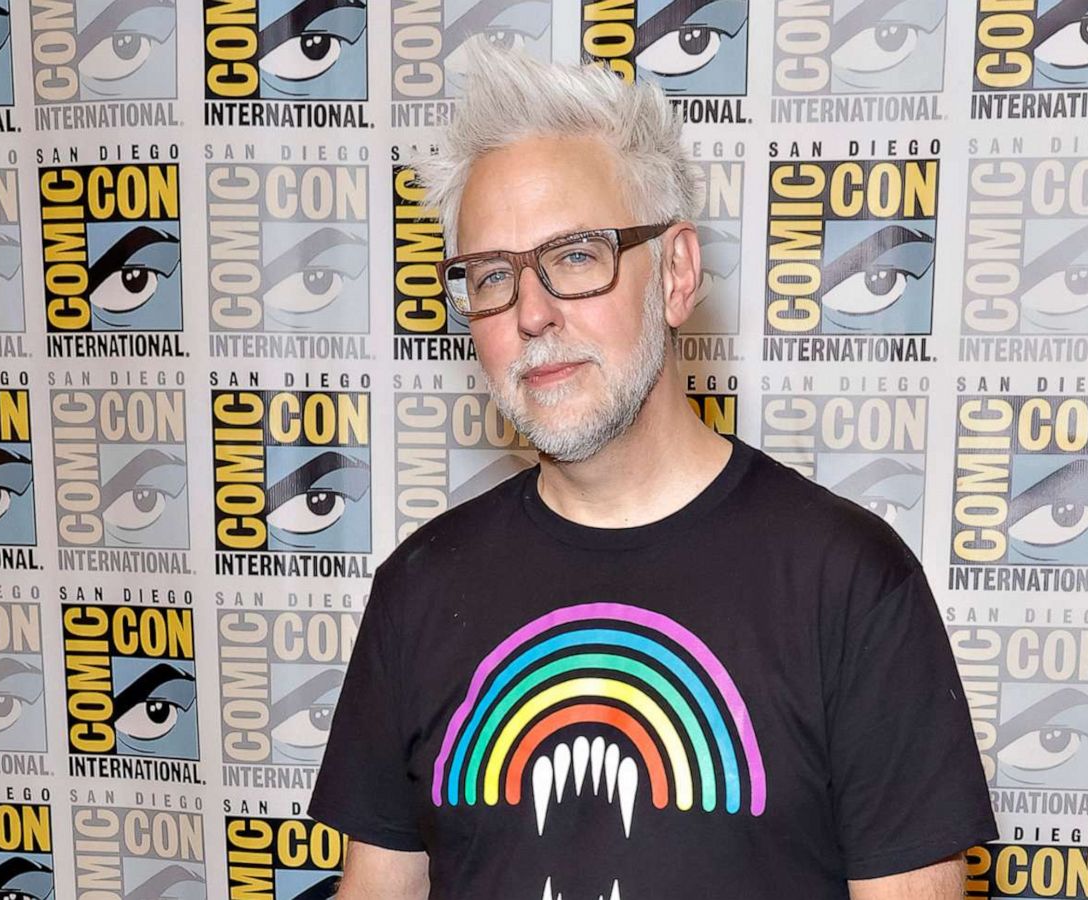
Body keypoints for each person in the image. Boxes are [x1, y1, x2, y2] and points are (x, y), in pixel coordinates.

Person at [308, 43, 997, 899]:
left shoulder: (849, 582)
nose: (531, 313)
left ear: (675, 274)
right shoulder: (419, 585)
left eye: (575, 255)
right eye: (491, 275)